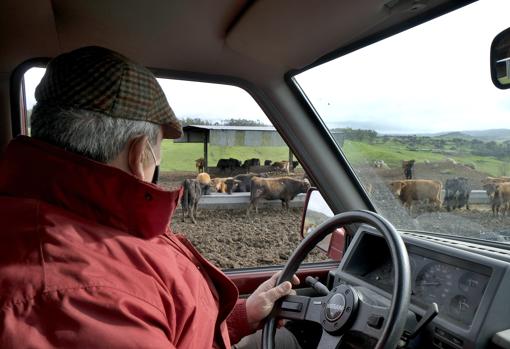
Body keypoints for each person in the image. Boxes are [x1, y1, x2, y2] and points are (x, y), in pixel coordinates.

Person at [0, 46, 300, 348]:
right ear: (139, 152)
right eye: (159, 149)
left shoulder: (86, 220)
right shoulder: (80, 296)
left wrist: (240, 318)